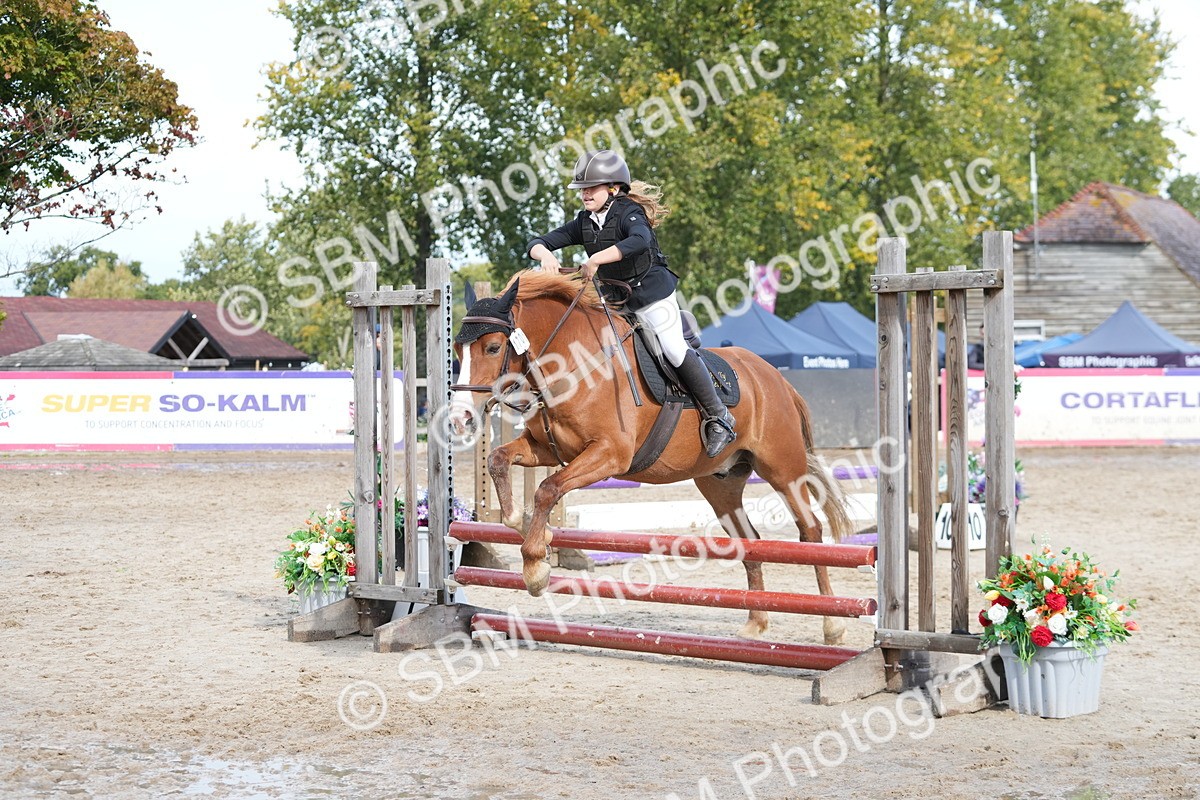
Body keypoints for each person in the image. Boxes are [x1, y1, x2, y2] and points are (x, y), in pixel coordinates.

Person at [525, 149, 736, 458]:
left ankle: (719, 416)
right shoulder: (584, 222)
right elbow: (537, 241)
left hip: (651, 296)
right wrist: (544, 254)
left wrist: (597, 257)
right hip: (616, 301)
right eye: (582, 189)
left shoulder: (629, 213)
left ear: (613, 188)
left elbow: (640, 241)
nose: (584, 194)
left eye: (591, 188)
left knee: (673, 347)